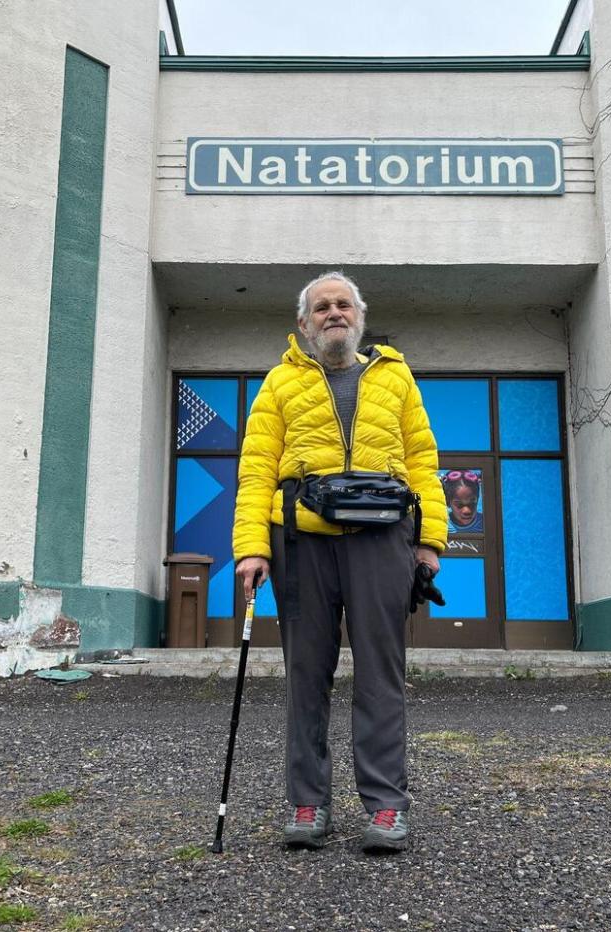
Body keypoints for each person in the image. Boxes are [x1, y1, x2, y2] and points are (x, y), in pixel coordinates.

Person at [233, 271, 446, 853]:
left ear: (360, 317)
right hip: (300, 540)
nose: (334, 313)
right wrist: (252, 547)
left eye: (343, 305)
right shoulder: (279, 383)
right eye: (321, 307)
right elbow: (256, 469)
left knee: (381, 674)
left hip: (383, 540)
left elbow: (424, 461)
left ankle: (385, 808)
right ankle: (308, 803)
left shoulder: (396, 379)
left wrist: (430, 542)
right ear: (304, 324)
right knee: (306, 675)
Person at [442, 469, 484, 534]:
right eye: (459, 505)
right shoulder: (442, 525)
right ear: (447, 502)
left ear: (478, 498)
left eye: (472, 503)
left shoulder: (484, 523)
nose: (466, 511)